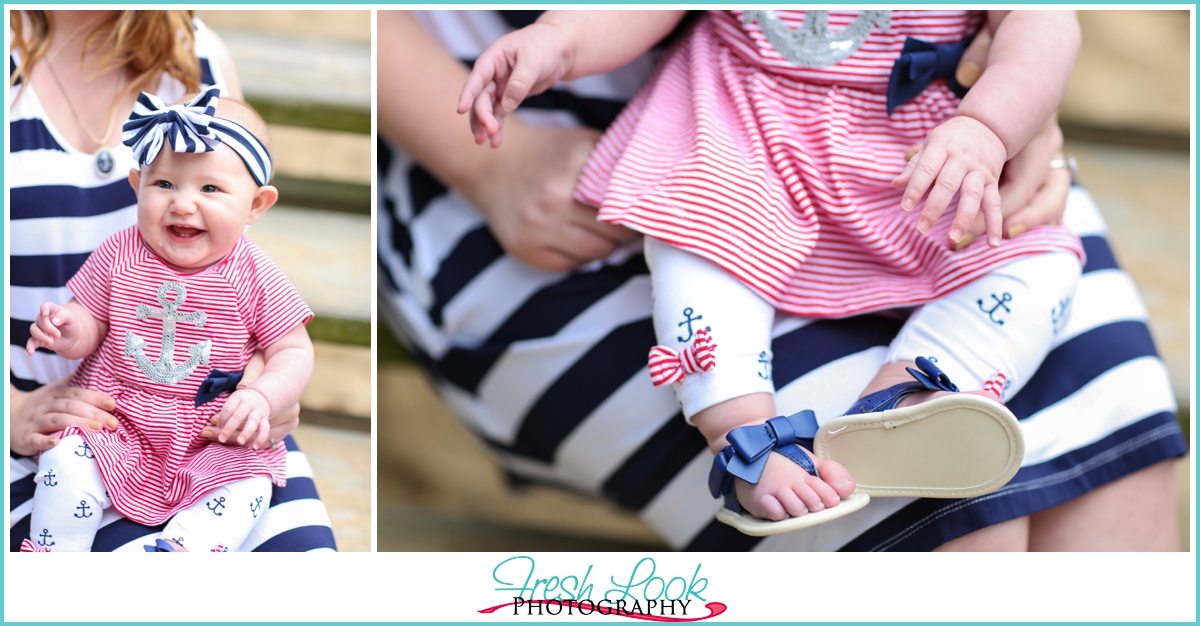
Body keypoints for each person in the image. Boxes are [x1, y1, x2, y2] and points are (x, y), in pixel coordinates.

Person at [379, 10, 1184, 550]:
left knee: (1113, 437)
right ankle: (742, 432)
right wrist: (557, 38)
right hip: (716, 139)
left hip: (921, 152)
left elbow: (1041, 25)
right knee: (940, 524)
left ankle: (916, 389)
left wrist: (1002, 115)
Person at [9, 9, 337, 552]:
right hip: (100, 420)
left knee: (274, 532)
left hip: (215, 437)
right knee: (69, 472)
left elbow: (288, 346)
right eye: (164, 183)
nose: (184, 203)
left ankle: (182, 551)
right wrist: (61, 337)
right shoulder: (123, 252)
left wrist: (265, 389)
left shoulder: (197, 57)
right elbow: (91, 318)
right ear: (138, 182)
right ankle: (52, 555)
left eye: (207, 191)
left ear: (258, 206)